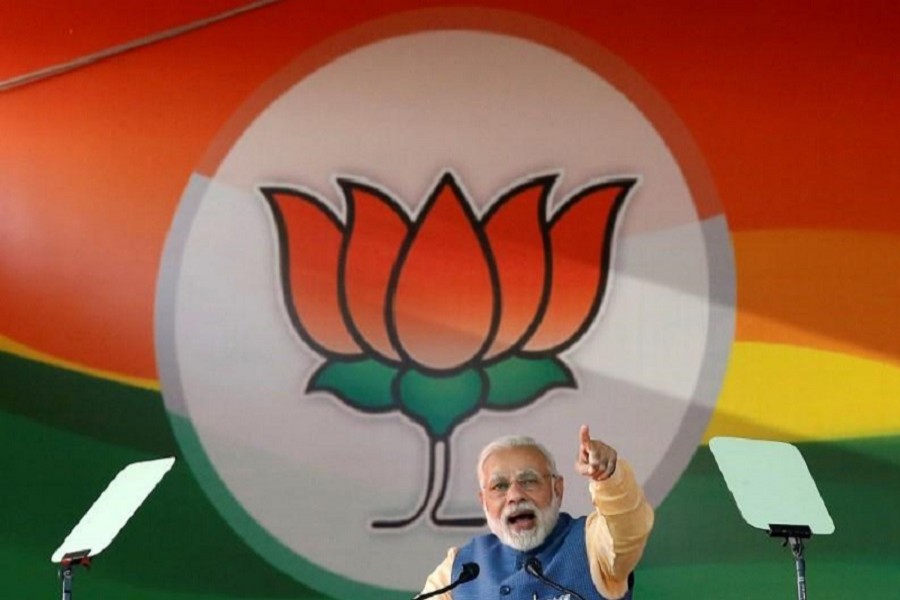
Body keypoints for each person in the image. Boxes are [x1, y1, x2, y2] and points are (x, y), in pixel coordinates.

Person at [419, 425, 654, 600]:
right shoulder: (462, 568)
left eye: (529, 481)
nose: (515, 495)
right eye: (499, 486)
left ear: (557, 489)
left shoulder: (591, 542)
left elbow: (628, 527)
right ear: (484, 502)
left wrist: (608, 478)